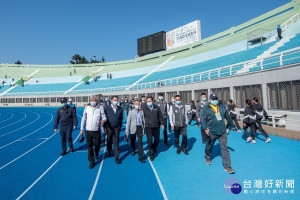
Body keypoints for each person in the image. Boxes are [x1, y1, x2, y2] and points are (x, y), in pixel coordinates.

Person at [201, 94, 236, 174]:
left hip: (222, 131)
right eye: (213, 99)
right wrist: (205, 128)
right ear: (210, 100)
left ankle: (228, 166)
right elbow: (203, 119)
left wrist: (232, 125)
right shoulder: (206, 108)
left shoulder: (222, 107)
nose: (215, 100)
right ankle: (207, 157)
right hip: (212, 131)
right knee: (209, 145)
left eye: (216, 99)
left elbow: (228, 117)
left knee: (224, 148)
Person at [80, 97, 106, 169]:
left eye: (94, 100)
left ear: (97, 101)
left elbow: (104, 117)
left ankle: (97, 152)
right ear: (90, 101)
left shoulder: (100, 108)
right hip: (88, 130)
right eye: (92, 101)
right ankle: (92, 161)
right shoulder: (87, 108)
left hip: (96, 130)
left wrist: (103, 120)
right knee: (89, 146)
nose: (93, 102)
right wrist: (81, 129)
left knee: (97, 144)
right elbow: (83, 119)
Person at [143, 96, 163, 161]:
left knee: (157, 140)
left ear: (153, 101)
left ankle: (154, 148)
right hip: (148, 127)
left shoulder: (157, 108)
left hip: (156, 126)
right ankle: (151, 155)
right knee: (149, 141)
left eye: (150, 101)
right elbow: (141, 117)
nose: (149, 102)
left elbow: (160, 116)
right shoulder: (144, 108)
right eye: (147, 101)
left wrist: (162, 124)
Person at [104, 96, 123, 164]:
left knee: (116, 142)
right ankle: (109, 151)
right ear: (111, 101)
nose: (116, 101)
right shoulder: (106, 108)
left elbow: (121, 119)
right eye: (115, 100)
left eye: (117, 100)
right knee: (109, 140)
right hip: (109, 127)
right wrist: (105, 127)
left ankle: (117, 157)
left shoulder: (120, 109)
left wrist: (120, 126)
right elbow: (104, 118)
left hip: (117, 127)